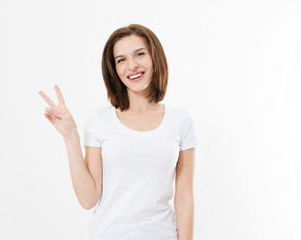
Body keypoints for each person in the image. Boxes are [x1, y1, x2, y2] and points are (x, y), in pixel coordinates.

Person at [39, 24, 198, 240]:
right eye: (121, 59)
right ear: (114, 69)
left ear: (155, 59)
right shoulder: (99, 120)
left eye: (139, 54)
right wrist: (71, 137)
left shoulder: (181, 121)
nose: (131, 65)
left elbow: (184, 198)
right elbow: (88, 199)